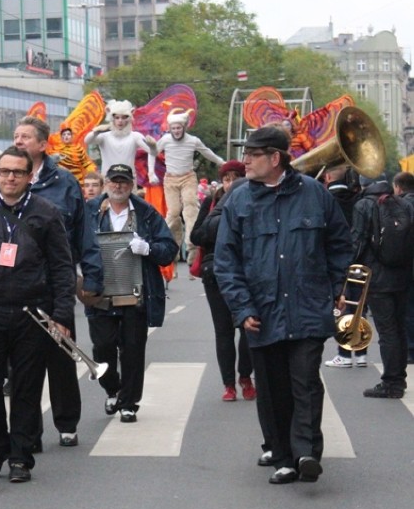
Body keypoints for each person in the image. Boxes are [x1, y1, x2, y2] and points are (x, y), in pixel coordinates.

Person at [215, 126, 351, 485]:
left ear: (275, 158)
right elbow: (225, 261)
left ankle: (306, 452)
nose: (244, 160)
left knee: (305, 381)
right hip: (261, 312)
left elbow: (339, 244)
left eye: (252, 154)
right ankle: (283, 457)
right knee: (273, 389)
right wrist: (243, 309)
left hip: (307, 306)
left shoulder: (316, 195)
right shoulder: (239, 200)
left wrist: (337, 287)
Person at [0, 147, 76, 483]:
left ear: (28, 176)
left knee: (26, 388)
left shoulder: (46, 214)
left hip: (31, 314)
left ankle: (20, 456)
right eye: (5, 171)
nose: (10, 178)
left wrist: (61, 313)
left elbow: (63, 267)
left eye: (17, 172)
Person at [13, 116, 103, 448]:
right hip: (16, 285)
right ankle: (28, 430)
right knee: (23, 363)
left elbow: (83, 234)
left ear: (41, 143)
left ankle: (67, 422)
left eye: (25, 136)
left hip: (56, 282)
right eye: (15, 136)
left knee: (61, 354)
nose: (19, 141)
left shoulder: (64, 182)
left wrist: (92, 276)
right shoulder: (5, 182)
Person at [85, 164, 178, 422]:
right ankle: (113, 388)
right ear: (105, 183)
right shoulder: (90, 211)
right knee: (102, 348)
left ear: (132, 184)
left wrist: (147, 248)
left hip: (136, 293)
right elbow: (74, 245)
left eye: (124, 181)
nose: (118, 186)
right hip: (100, 294)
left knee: (133, 350)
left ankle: (129, 403)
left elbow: (169, 248)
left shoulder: (147, 213)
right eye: (114, 181)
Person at [190, 160, 255, 401]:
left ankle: (245, 376)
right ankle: (228, 384)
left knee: (248, 327)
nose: (230, 183)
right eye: (226, 179)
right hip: (215, 271)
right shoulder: (212, 202)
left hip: (246, 271)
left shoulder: (253, 199)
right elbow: (197, 234)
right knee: (223, 331)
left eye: (235, 178)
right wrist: (222, 221)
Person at [351, 175, 414, 398]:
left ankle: (391, 383)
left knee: (387, 332)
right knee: (398, 327)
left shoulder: (364, 204)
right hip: (403, 275)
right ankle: (399, 380)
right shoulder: (403, 202)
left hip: (377, 277)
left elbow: (357, 242)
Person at [150, 109, 224, 265]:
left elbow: (207, 152)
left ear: (184, 127)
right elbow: (152, 152)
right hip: (170, 180)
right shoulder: (165, 140)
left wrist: (221, 162)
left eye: (179, 128)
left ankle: (192, 245)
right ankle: (172, 245)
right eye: (174, 128)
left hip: (188, 178)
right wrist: (151, 173)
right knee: (173, 213)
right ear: (170, 128)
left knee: (190, 208)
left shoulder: (193, 140)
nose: (176, 131)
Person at [322, 165, 368, 368]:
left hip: (337, 260)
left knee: (341, 306)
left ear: (328, 176)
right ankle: (361, 352)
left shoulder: (324, 200)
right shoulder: (359, 199)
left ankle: (345, 353)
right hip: (360, 258)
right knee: (359, 305)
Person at [84, 100, 152, 179]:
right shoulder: (104, 136)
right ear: (112, 118)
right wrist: (96, 131)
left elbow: (152, 152)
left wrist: (152, 146)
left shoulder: (135, 136)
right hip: (108, 179)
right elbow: (87, 140)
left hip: (128, 179)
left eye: (123, 117)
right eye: (117, 117)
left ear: (129, 118)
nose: (120, 121)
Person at [393, 172, 414, 365]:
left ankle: (411, 349)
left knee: (408, 309)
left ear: (399, 187)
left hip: (408, 265)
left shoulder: (402, 206)